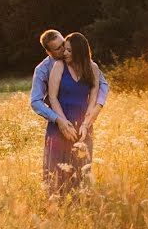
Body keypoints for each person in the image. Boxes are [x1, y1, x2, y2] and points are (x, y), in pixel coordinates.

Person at [40, 32, 105, 195]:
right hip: (60, 125)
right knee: (55, 175)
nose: (64, 53)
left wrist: (85, 124)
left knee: (81, 171)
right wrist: (63, 122)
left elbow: (93, 99)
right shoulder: (59, 66)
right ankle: (56, 209)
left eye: (69, 50)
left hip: (83, 125)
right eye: (64, 49)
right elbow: (53, 97)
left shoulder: (93, 68)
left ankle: (79, 209)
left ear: (79, 51)